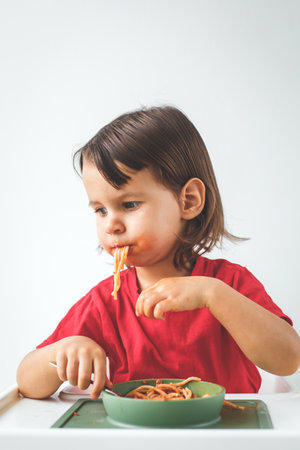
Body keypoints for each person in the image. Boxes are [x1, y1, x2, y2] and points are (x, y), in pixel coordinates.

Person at [17, 105, 300, 400]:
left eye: (129, 205)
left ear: (188, 201)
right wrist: (63, 351)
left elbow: (288, 360)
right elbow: (27, 381)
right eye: (100, 209)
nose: (111, 224)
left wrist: (212, 295)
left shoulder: (228, 285)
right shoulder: (105, 304)